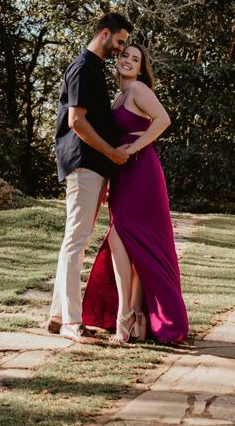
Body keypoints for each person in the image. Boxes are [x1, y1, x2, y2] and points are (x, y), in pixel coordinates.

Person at [82, 41, 188, 344]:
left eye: (135, 59)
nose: (128, 60)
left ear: (141, 69)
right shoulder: (119, 96)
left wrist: (134, 147)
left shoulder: (139, 90)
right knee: (130, 242)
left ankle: (125, 314)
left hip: (142, 172)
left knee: (124, 238)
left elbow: (163, 120)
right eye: (125, 55)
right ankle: (137, 315)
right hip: (123, 175)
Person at [47, 11, 134, 343]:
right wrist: (111, 153)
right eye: (120, 41)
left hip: (94, 166)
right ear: (105, 33)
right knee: (76, 241)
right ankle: (72, 322)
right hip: (85, 164)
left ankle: (58, 315)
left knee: (74, 239)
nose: (121, 49)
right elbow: (77, 121)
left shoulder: (94, 69)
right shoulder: (83, 68)